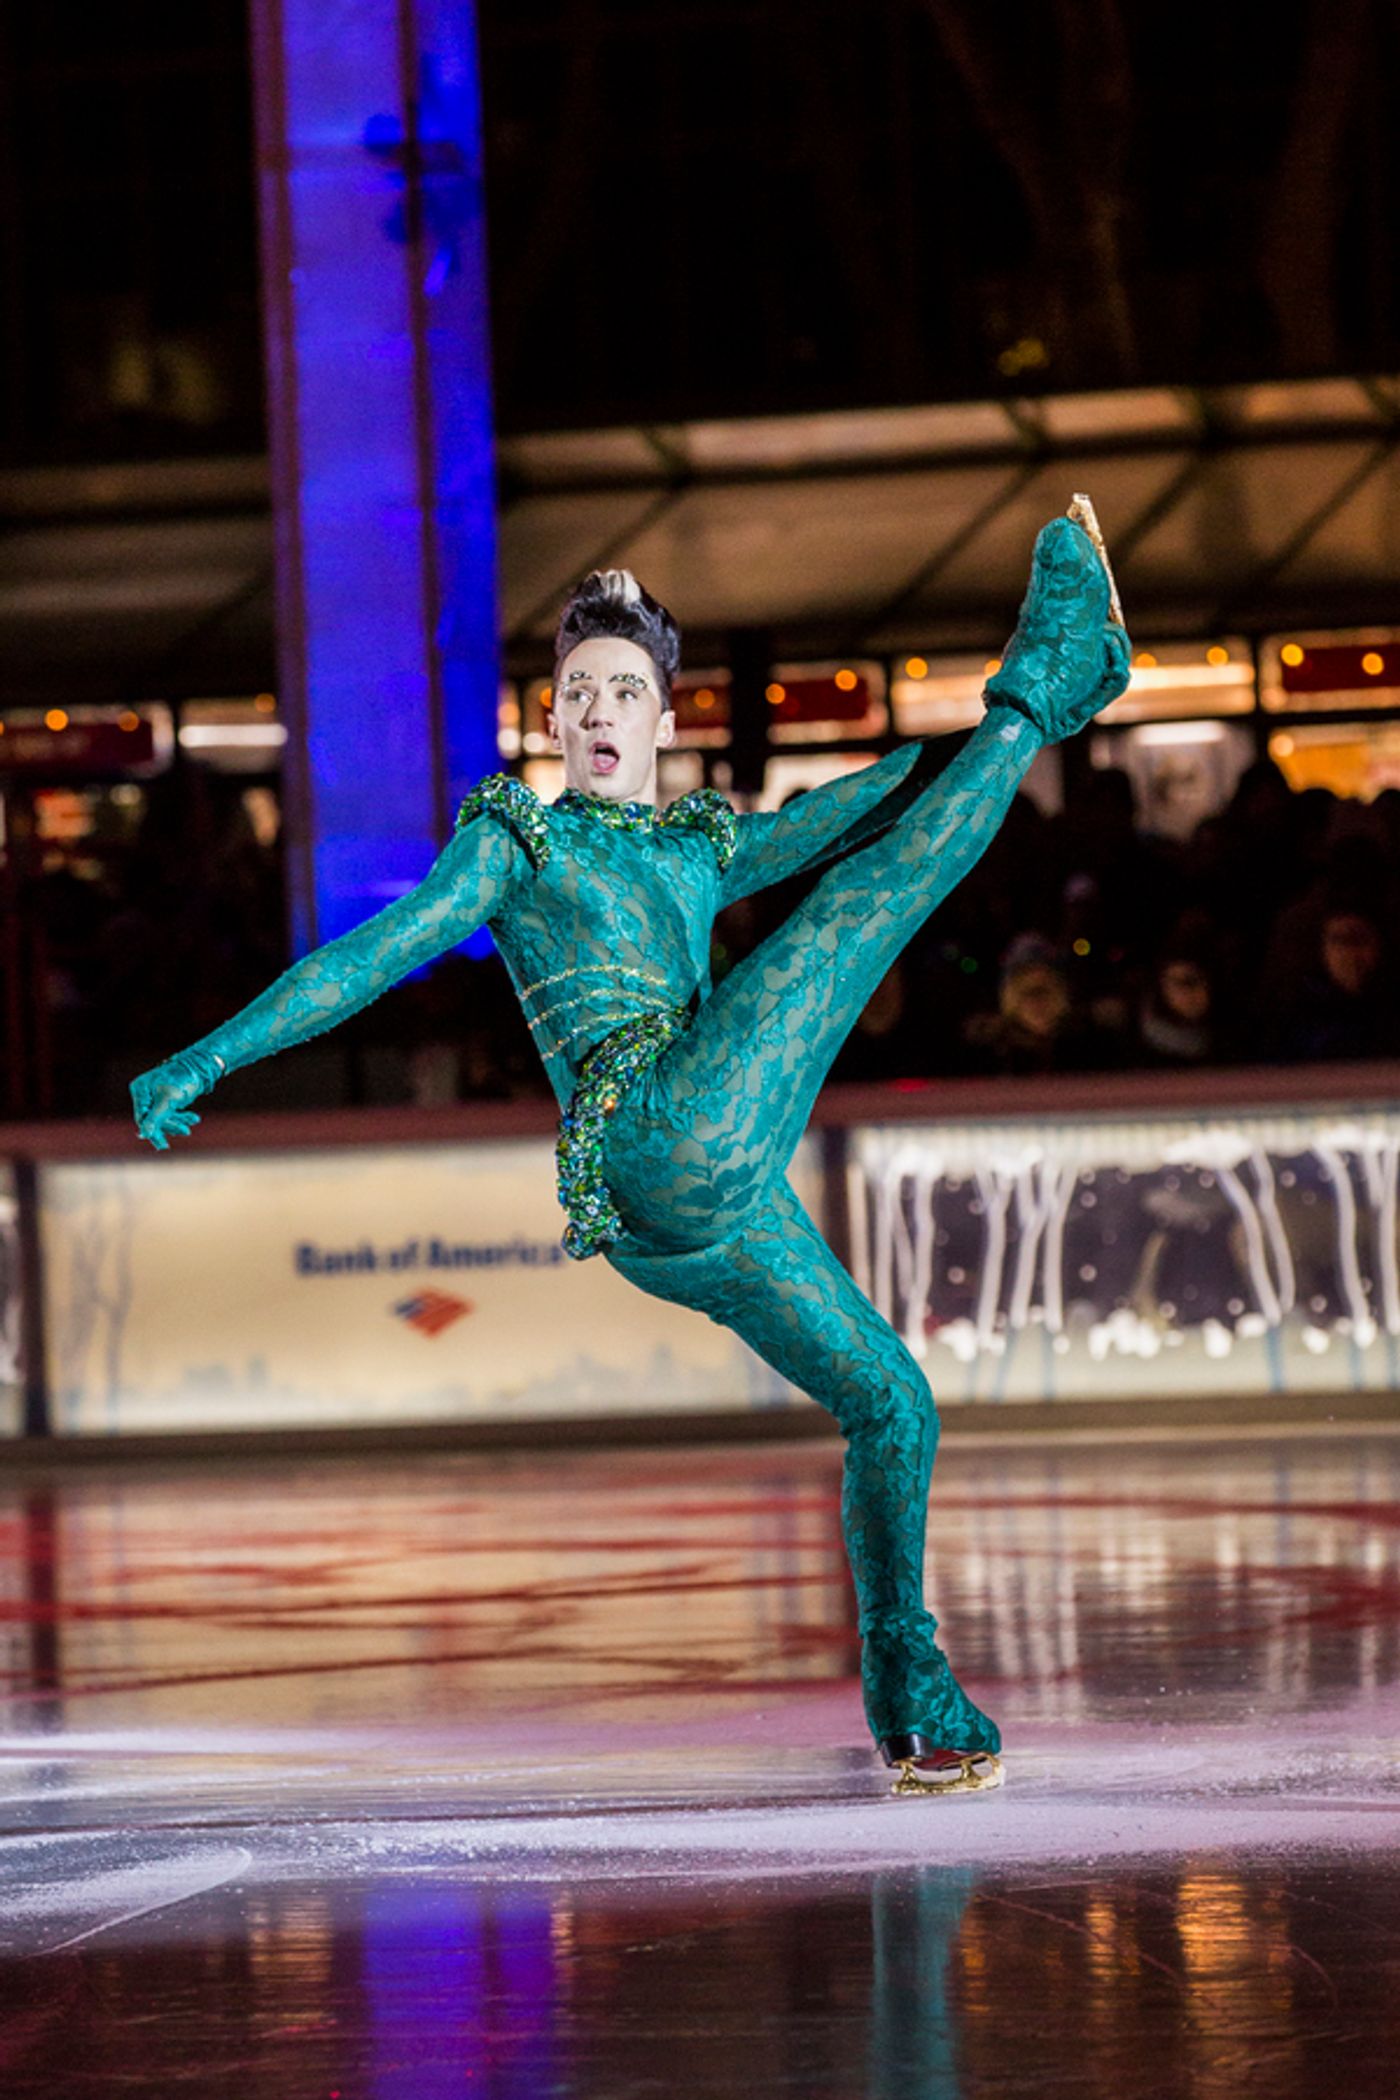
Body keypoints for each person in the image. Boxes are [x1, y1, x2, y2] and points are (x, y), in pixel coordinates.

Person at [131, 515, 1130, 1792]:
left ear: (662, 720)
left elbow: (858, 802)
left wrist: (986, 739)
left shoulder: (694, 848)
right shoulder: (519, 841)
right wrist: (207, 1056)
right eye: (577, 693)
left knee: (891, 1400)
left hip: (704, 1208)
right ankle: (1049, 675)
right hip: (655, 1132)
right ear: (552, 722)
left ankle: (909, 1693)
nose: (599, 709)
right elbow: (365, 959)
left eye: (625, 690)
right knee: (862, 911)